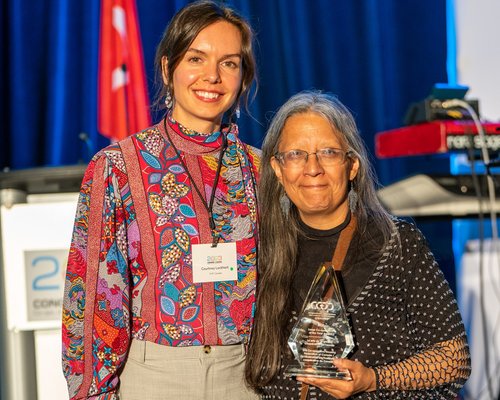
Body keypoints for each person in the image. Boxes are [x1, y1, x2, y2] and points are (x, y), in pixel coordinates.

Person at [62, 1, 260, 399]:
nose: (212, 76)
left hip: (246, 378)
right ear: (168, 68)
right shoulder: (116, 167)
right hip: (156, 378)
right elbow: (95, 298)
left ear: (243, 78)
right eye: (196, 58)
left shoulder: (260, 169)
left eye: (229, 63)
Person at [245, 90, 471, 399]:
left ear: (352, 165)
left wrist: (374, 379)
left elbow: (453, 360)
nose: (313, 168)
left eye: (328, 152)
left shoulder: (398, 244)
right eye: (296, 154)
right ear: (278, 169)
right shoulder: (259, 252)